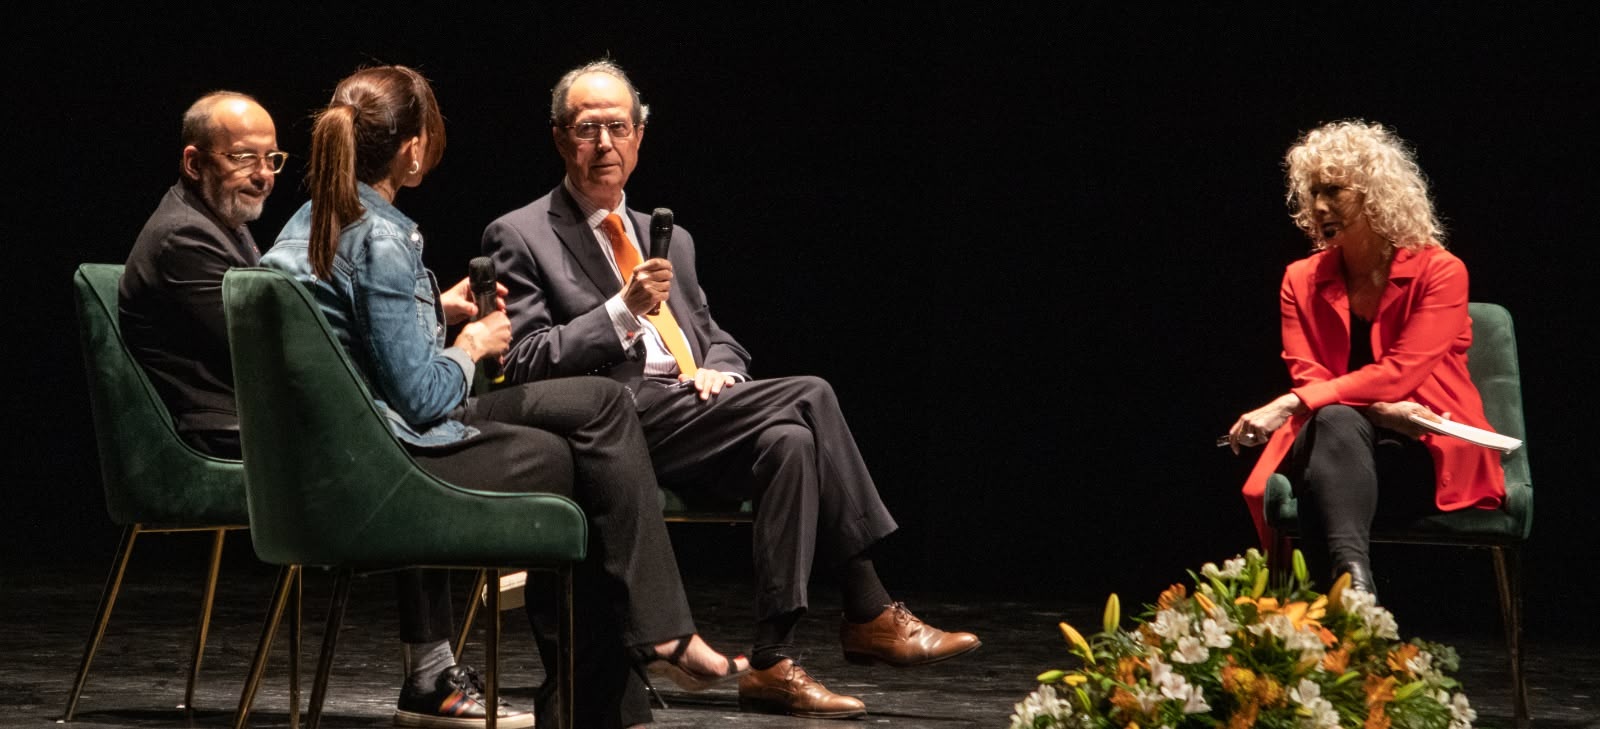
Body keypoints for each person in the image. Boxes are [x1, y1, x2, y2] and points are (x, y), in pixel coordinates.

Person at [481, 58, 980, 719]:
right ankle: (867, 603)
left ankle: (771, 659)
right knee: (814, 393)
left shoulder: (671, 240)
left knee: (790, 438)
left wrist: (725, 372)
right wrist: (621, 312)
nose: (604, 143)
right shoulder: (519, 234)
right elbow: (526, 363)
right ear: (558, 137)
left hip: (692, 412)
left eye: (618, 126)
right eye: (587, 128)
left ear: (639, 137)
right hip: (612, 429)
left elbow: (716, 336)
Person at [259, 64, 746, 729]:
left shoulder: (310, 220)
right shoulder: (383, 235)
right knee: (591, 447)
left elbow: (350, 339)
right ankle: (636, 662)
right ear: (413, 149)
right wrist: (479, 341)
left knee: (596, 418)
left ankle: (620, 675)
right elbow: (424, 397)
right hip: (388, 460)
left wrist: (432, 307)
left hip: (331, 457)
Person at [1226, 120, 1506, 598]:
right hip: (1331, 443)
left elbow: (1402, 373)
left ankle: (1330, 607)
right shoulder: (1299, 279)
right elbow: (1309, 374)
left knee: (1323, 469)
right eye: (1312, 192)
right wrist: (1375, 412)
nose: (1317, 206)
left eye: (1333, 190)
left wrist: (1289, 404)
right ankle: (1356, 587)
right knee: (1332, 423)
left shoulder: (1441, 271)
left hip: (1419, 450)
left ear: (1375, 192)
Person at [120, 91, 283, 458]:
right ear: (194, 163)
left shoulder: (221, 220)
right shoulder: (184, 237)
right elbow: (260, 349)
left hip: (246, 420)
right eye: (244, 158)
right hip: (221, 431)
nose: (263, 176)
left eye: (271, 158)